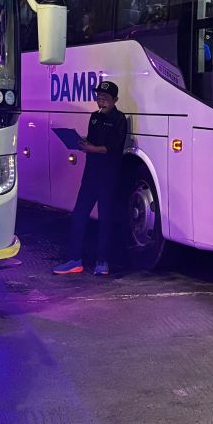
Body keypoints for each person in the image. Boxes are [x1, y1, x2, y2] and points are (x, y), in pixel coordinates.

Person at [53, 81, 128, 277]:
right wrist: (82, 143)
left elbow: (114, 148)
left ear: (115, 100)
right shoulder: (94, 117)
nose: (101, 102)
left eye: (105, 99)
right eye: (99, 98)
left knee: (105, 219)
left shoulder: (120, 120)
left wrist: (92, 148)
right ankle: (74, 260)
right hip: (90, 175)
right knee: (79, 215)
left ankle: (102, 261)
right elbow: (92, 141)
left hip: (108, 176)